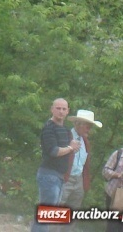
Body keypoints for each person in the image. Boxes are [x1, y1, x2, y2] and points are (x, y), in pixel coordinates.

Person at [31, 98, 80, 232]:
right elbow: (53, 151)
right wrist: (70, 148)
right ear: (52, 109)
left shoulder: (65, 129)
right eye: (58, 108)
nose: (61, 111)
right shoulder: (49, 128)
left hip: (59, 176)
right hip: (48, 174)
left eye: (64, 109)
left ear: (68, 111)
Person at [60, 109, 102, 210]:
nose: (89, 129)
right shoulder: (65, 136)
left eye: (90, 127)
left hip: (78, 179)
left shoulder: (85, 141)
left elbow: (85, 163)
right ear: (77, 123)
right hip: (65, 177)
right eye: (88, 126)